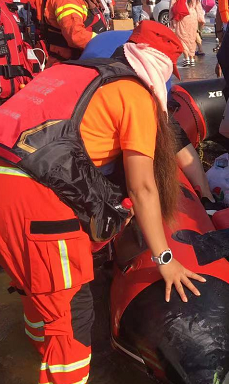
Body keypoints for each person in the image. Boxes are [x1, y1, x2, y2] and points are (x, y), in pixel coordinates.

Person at [0, 20, 206, 384]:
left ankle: (31, 353)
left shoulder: (74, 72)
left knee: (38, 290)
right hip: (34, 198)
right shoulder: (135, 95)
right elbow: (143, 187)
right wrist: (165, 258)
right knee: (73, 313)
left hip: (9, 182)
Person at [79, 26, 217, 206]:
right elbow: (142, 186)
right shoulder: (148, 75)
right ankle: (207, 199)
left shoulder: (120, 41)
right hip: (84, 170)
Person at [170, 0, 205, 67]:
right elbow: (198, 7)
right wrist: (201, 20)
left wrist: (171, 19)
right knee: (191, 38)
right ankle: (192, 58)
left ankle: (186, 58)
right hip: (193, 16)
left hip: (182, 16)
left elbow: (172, 6)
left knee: (182, 38)